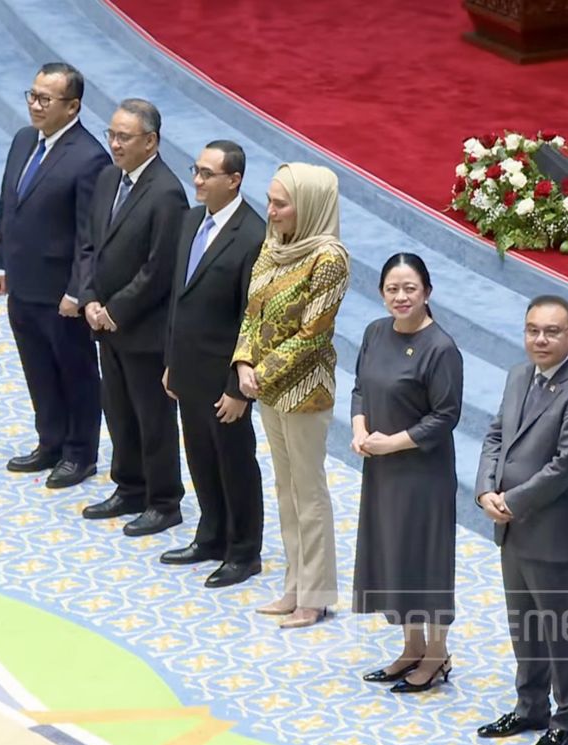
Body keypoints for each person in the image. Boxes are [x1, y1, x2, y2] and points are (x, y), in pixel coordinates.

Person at [474, 294, 568, 745]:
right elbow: (495, 434)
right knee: (523, 624)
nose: (540, 339)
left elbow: (565, 465)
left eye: (552, 332)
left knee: (560, 629)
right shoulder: (518, 374)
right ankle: (530, 706)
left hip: (549, 530)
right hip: (510, 527)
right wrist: (485, 489)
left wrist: (512, 500)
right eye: (533, 330)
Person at [233, 162, 349, 629]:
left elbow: (313, 334)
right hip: (265, 388)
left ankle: (315, 595)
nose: (271, 211)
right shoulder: (273, 244)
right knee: (285, 489)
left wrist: (260, 373)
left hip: (304, 391)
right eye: (270, 201)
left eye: (281, 204)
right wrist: (243, 362)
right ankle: (294, 584)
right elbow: (252, 313)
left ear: (310, 206)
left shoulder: (329, 259)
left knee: (309, 492)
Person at [0, 62, 108, 489]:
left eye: (45, 99)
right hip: (22, 283)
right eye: (32, 95)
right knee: (37, 368)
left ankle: (80, 453)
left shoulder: (90, 158)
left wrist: (78, 291)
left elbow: (89, 235)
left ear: (72, 106)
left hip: (61, 294)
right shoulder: (24, 140)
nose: (35, 105)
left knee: (75, 373)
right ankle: (50, 441)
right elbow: (8, 203)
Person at [351, 253, 463, 693]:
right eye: (392, 289)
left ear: (427, 293)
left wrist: (392, 442)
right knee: (395, 554)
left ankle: (437, 653)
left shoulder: (441, 348)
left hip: (423, 472)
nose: (401, 297)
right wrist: (359, 429)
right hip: (383, 469)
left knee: (425, 559)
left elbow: (445, 416)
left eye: (410, 289)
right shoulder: (375, 332)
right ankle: (411, 645)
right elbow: (360, 388)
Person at [78, 99, 188, 537]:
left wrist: (115, 310)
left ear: (151, 141)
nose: (115, 144)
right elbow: (92, 244)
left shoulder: (167, 193)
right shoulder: (109, 178)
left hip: (144, 330)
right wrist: (90, 298)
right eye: (112, 135)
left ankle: (163, 501)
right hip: (105, 325)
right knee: (119, 411)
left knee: (152, 418)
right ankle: (129, 487)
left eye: (124, 137)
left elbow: (159, 269)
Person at [159, 140, 266, 588]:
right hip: (189, 369)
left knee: (234, 463)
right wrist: (172, 361)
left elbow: (253, 319)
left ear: (234, 180)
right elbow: (178, 298)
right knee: (200, 457)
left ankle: (243, 551)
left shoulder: (254, 236)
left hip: (225, 378)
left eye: (207, 173)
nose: (197, 180)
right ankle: (211, 535)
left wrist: (239, 389)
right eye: (196, 170)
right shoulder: (190, 221)